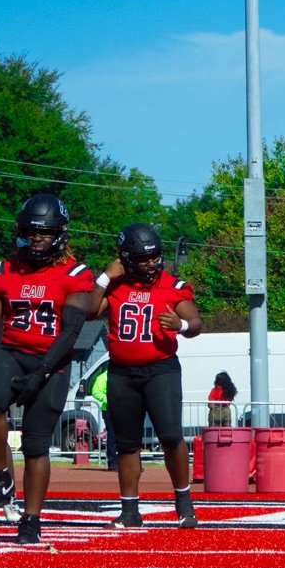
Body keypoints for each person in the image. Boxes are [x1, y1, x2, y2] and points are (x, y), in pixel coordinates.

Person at [0, 194, 98, 544]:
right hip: (12, 350)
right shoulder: (2, 271)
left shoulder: (74, 273)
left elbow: (70, 330)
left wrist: (41, 372)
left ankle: (32, 519)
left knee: (36, 444)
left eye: (44, 233)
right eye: (30, 232)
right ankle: (0, 477)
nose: (36, 239)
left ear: (59, 233)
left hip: (51, 361)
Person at [89, 223, 203, 528]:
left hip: (160, 369)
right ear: (125, 258)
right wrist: (103, 277)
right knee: (127, 443)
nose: (151, 264)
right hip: (122, 372)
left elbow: (195, 323)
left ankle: (184, 503)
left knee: (170, 436)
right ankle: (129, 510)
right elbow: (87, 311)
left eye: (154, 257)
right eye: (143, 259)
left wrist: (179, 325)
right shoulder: (113, 285)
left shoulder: (172, 286)